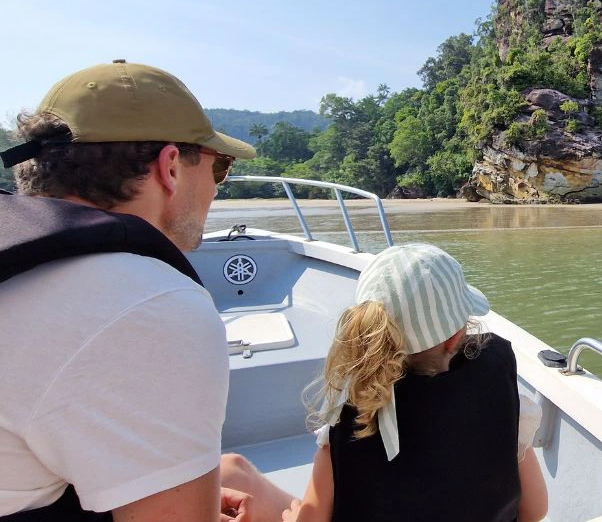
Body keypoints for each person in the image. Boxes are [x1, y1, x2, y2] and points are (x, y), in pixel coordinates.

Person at [0, 60, 290, 521]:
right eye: (219, 168)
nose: (217, 190)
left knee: (232, 471)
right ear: (170, 166)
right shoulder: (148, 303)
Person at [225, 243, 549, 522]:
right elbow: (535, 510)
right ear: (455, 337)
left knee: (231, 470)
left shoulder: (349, 419)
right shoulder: (497, 388)